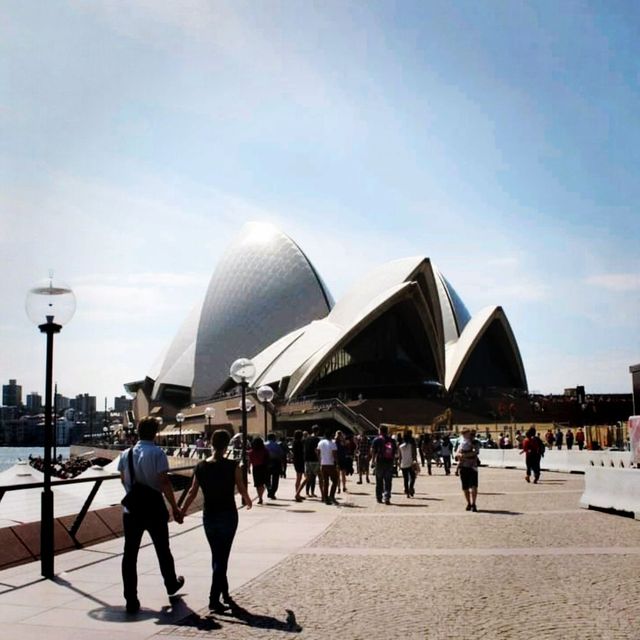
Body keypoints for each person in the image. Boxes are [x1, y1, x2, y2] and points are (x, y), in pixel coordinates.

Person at [118, 416, 185, 614]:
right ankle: (171, 583)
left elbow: (123, 479)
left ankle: (131, 598)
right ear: (155, 433)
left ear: (138, 431)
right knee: (163, 548)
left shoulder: (125, 454)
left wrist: (134, 493)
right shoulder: (157, 453)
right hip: (154, 508)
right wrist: (175, 506)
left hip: (132, 510)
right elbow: (164, 482)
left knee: (130, 554)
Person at [181, 429, 252, 613]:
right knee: (222, 557)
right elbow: (241, 486)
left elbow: (192, 491)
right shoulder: (232, 465)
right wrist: (248, 499)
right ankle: (214, 598)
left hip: (209, 515)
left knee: (217, 555)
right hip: (228, 514)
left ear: (211, 443)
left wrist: (181, 511)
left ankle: (225, 593)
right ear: (227, 444)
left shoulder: (201, 466)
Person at [455, 428, 480, 512]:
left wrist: (464, 455)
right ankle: (469, 503)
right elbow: (457, 453)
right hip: (464, 467)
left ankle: (474, 504)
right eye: (466, 434)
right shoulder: (462, 442)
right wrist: (459, 455)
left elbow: (476, 452)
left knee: (474, 486)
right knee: (465, 487)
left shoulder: (474, 442)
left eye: (469, 434)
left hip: (473, 467)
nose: (468, 435)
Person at [371, 425, 397, 505]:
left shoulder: (376, 440)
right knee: (388, 481)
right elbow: (395, 452)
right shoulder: (392, 440)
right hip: (389, 462)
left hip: (380, 462)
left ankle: (379, 497)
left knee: (379, 481)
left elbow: (373, 451)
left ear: (380, 431)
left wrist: (373, 461)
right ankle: (387, 497)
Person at [317, 430, 338, 505]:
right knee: (335, 481)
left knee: (325, 482)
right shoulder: (332, 443)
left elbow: (318, 453)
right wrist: (337, 463)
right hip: (330, 464)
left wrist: (320, 462)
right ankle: (331, 496)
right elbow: (335, 454)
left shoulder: (320, 442)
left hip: (323, 464)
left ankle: (325, 498)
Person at [248, 436, 269, 504]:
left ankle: (260, 498)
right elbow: (268, 459)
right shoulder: (265, 450)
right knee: (262, 484)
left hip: (255, 468)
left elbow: (250, 461)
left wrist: (248, 468)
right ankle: (261, 496)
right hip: (263, 468)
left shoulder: (251, 452)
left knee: (257, 484)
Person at [398, 429, 418, 497]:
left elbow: (400, 456)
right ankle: (411, 487)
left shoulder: (400, 447)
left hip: (403, 464)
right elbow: (414, 454)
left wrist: (399, 464)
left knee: (405, 478)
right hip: (410, 463)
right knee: (413, 477)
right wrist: (415, 461)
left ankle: (406, 491)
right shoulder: (411, 445)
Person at [304, 425, 322, 498]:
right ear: (318, 431)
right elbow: (316, 450)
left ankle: (307, 492)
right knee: (313, 477)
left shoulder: (307, 438)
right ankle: (312, 492)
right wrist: (319, 459)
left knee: (308, 477)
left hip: (307, 460)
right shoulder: (317, 439)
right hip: (314, 460)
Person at [292, 430, 307, 502]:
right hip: (300, 461)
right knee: (299, 478)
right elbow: (303, 452)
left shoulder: (294, 442)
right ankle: (297, 494)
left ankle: (297, 493)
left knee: (299, 477)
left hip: (296, 461)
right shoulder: (300, 443)